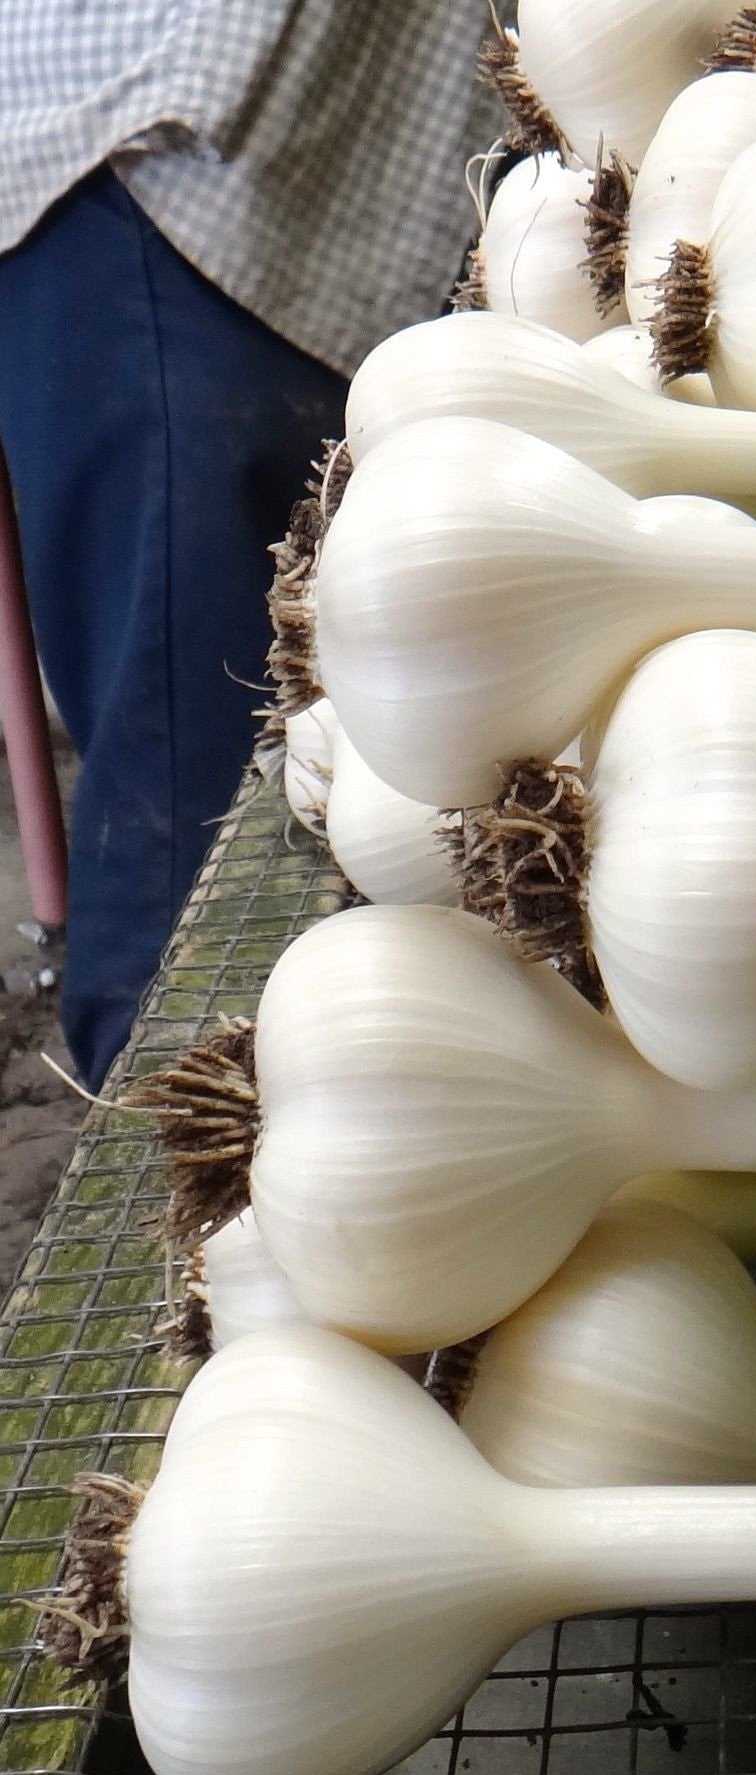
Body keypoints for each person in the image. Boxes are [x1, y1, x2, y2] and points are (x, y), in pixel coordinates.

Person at [0, 4, 501, 1088]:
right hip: (161, 166)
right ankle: (160, 1184)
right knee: (195, 799)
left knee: (305, 747)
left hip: (272, 167)